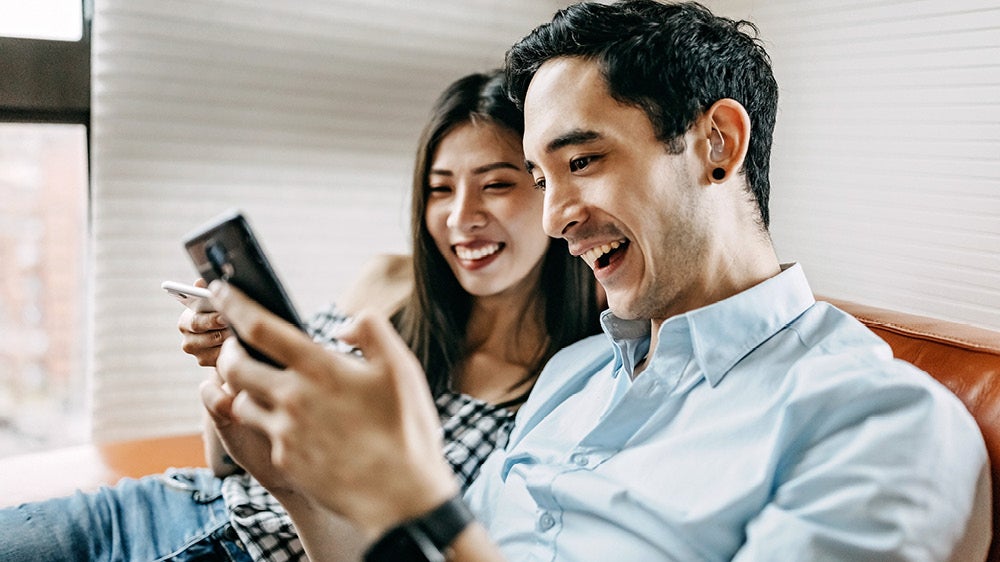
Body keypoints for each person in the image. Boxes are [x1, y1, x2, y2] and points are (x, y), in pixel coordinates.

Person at [198, 1, 991, 561]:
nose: (552, 220)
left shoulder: (883, 423)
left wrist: (421, 505)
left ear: (717, 143)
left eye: (582, 162)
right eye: (541, 179)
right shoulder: (572, 374)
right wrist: (300, 487)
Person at [0, 69, 602, 561]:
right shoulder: (386, 285)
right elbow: (226, 462)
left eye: (496, 184)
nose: (460, 216)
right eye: (441, 189)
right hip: (171, 507)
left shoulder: (574, 374)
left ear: (547, 190)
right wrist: (230, 364)